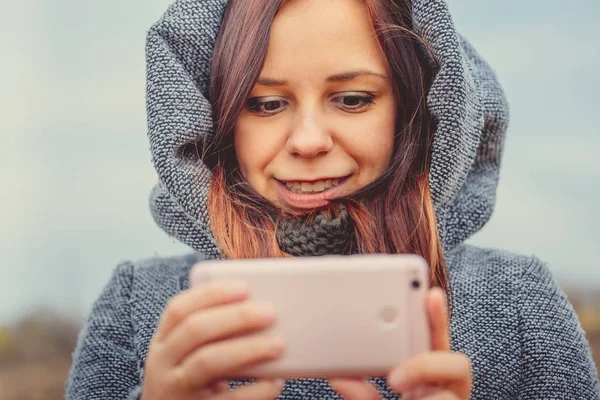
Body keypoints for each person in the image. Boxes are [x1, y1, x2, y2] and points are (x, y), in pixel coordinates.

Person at [66, 0, 600, 399]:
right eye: (266, 103)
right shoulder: (139, 305)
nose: (308, 140)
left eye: (352, 99)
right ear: (216, 121)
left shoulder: (519, 299)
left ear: (418, 109)